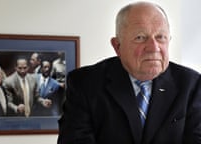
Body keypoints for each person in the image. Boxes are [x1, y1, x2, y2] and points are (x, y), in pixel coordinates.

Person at [58, 1, 201, 144]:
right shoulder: (85, 83)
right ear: (117, 46)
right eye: (140, 37)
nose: (154, 48)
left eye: (160, 37)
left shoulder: (191, 85)